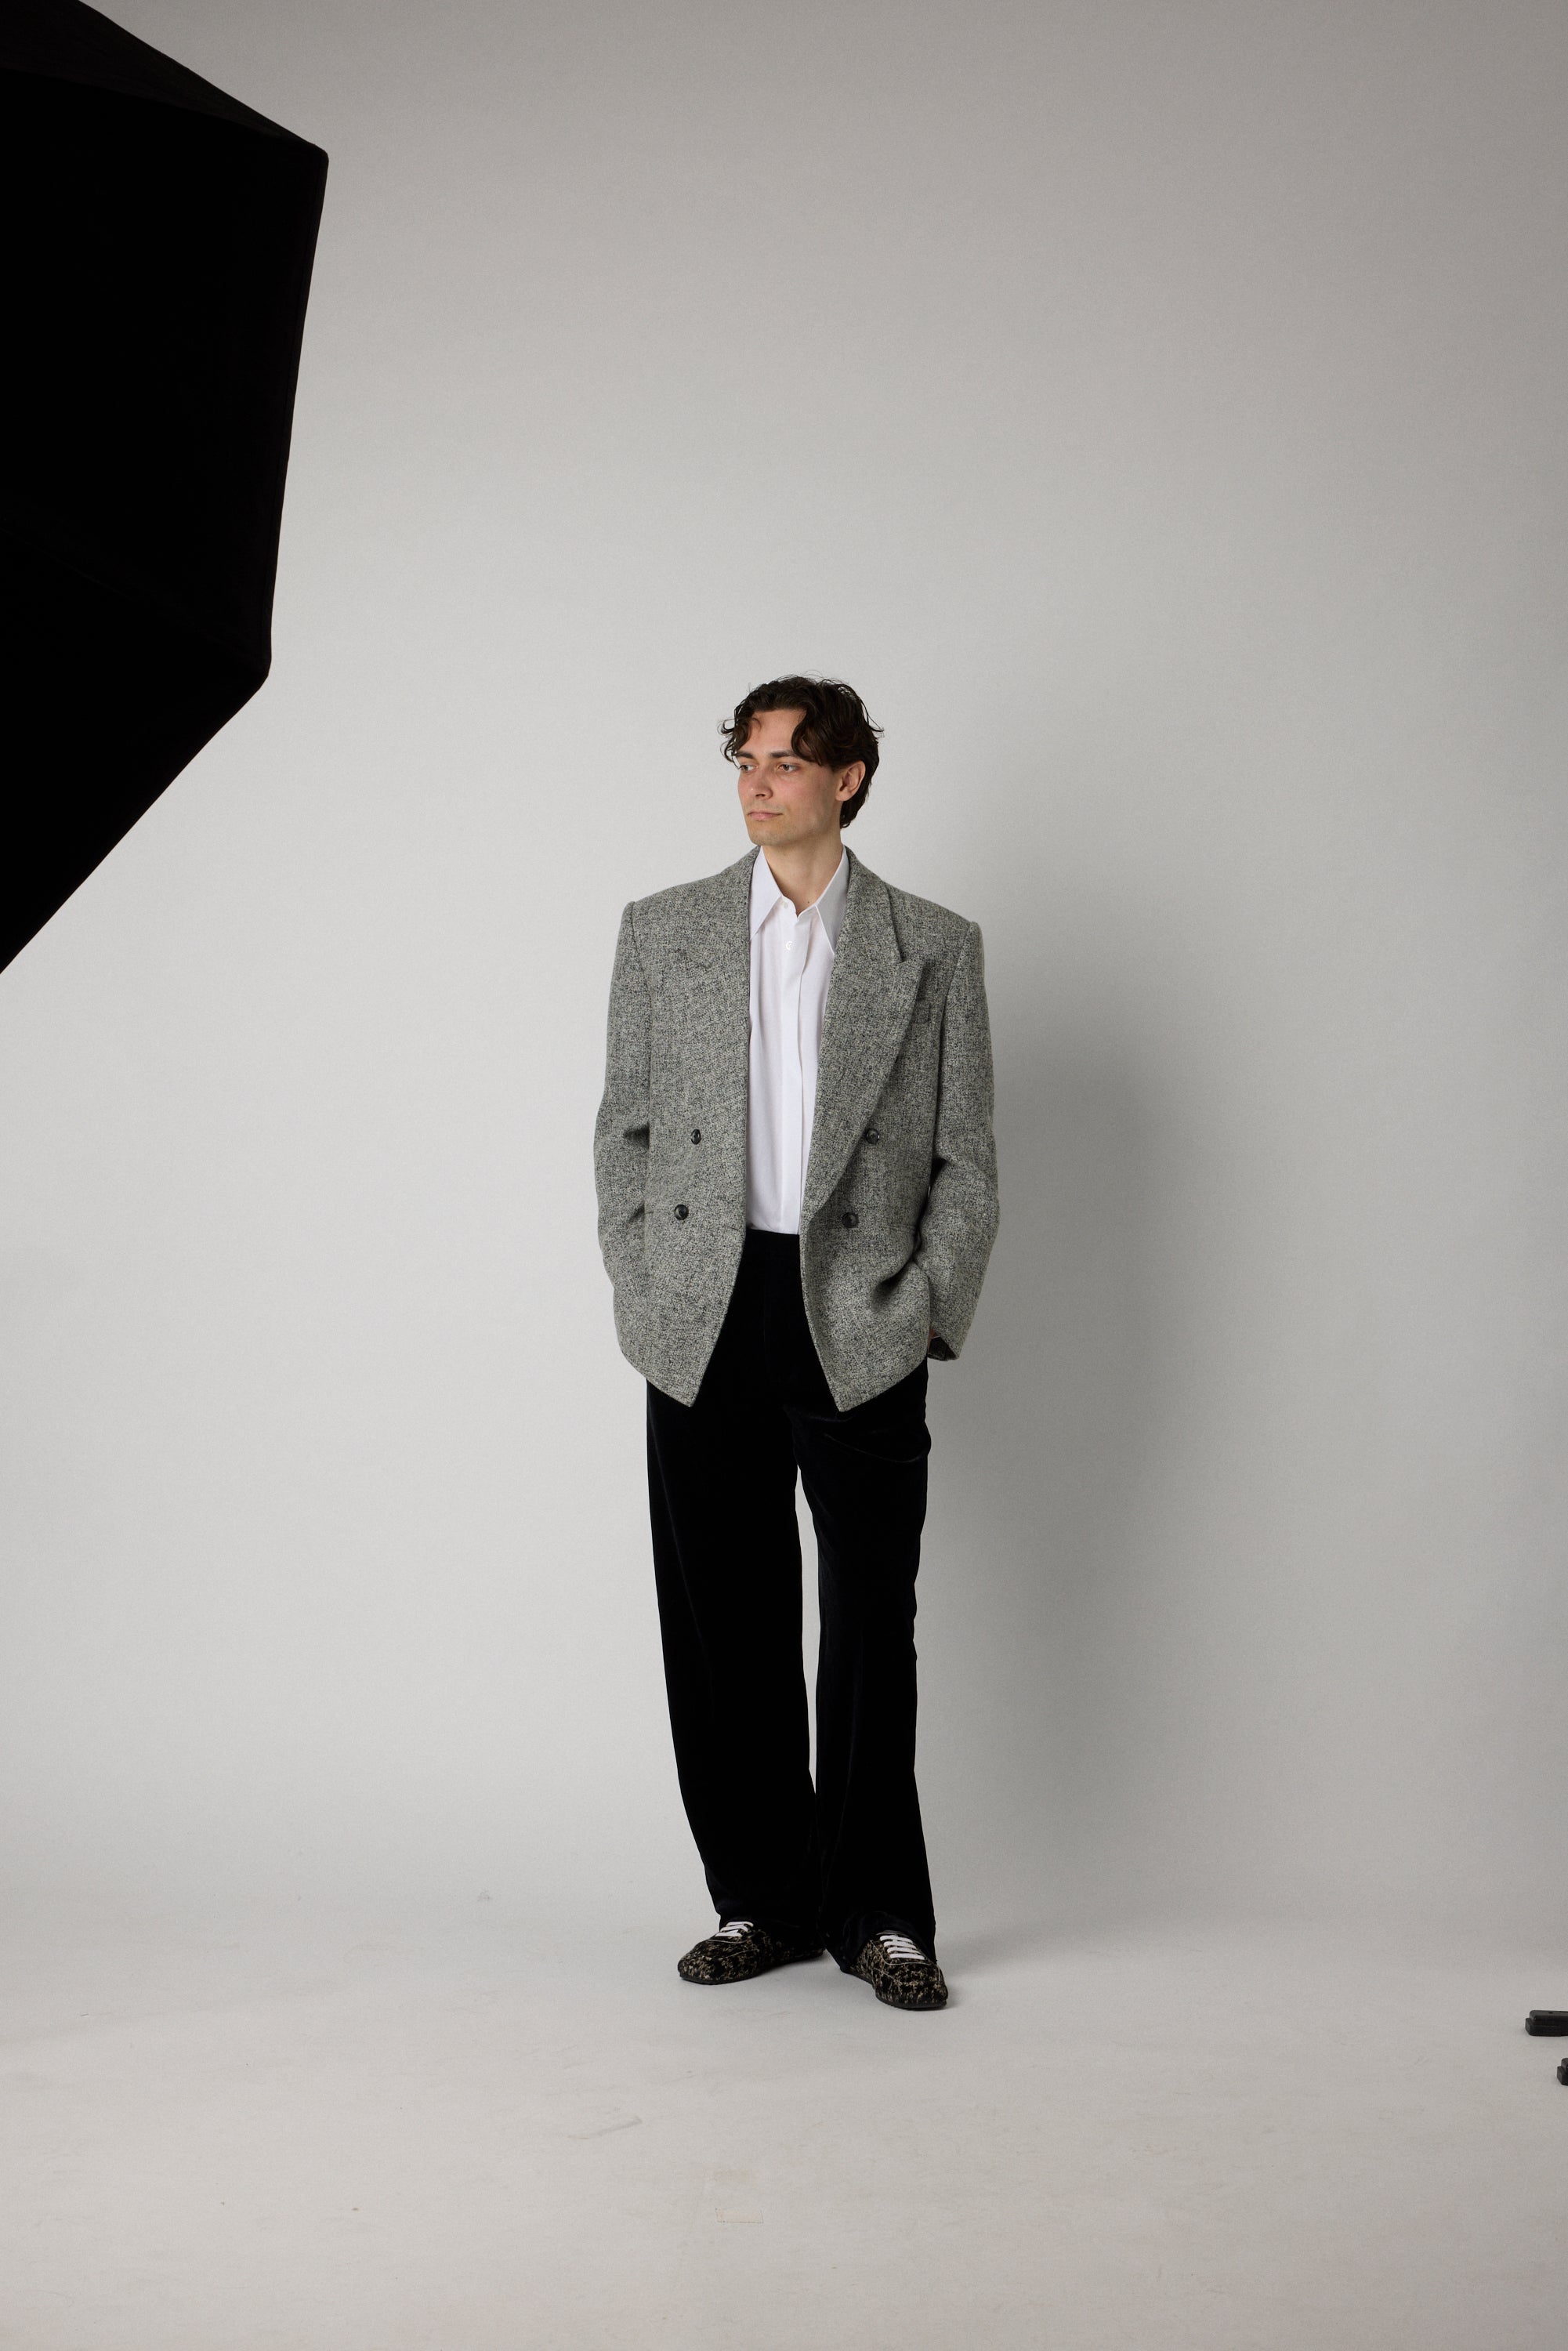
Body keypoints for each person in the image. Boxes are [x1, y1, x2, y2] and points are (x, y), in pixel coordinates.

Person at [592, 676, 999, 2011]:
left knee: (872, 1619)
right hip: (702, 1307)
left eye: (784, 760)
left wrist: (921, 1302)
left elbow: (966, 1157)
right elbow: (624, 1131)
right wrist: (644, 1290)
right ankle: (758, 1899)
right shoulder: (665, 931)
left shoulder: (932, 945)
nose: (757, 782)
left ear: (848, 779)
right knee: (725, 1619)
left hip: (855, 1311)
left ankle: (879, 1914)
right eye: (745, 760)